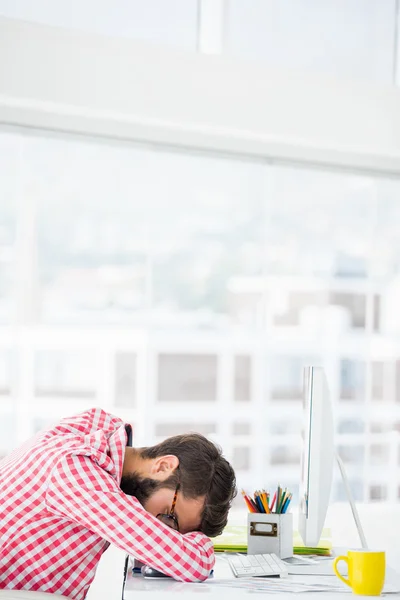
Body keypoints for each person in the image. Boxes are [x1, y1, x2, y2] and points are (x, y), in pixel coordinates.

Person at [0, 408, 236, 600]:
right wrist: (196, 547)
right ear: (163, 466)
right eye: (169, 517)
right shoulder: (77, 472)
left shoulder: (97, 432)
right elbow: (194, 563)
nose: (163, 530)